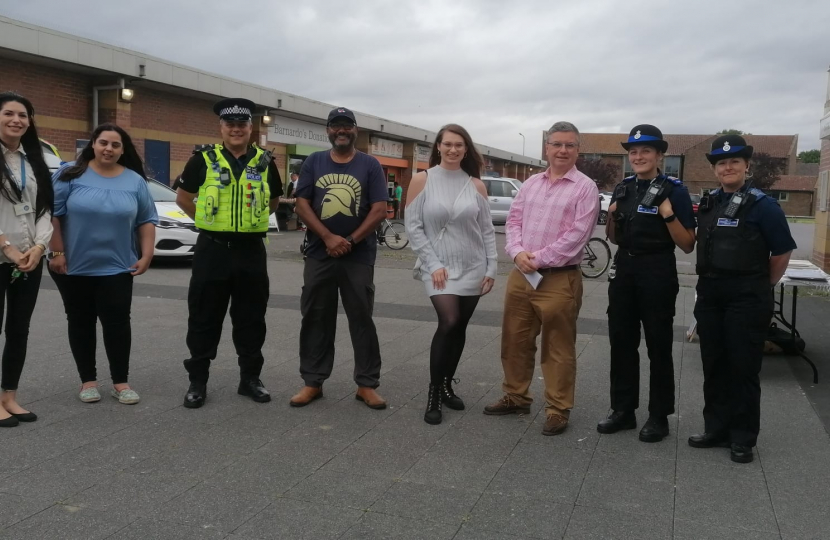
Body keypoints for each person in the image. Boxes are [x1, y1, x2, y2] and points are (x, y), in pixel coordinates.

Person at [483, 122, 599, 436]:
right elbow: (514, 221)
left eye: (570, 145)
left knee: (558, 347)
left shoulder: (585, 188)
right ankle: (517, 396)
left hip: (559, 279)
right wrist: (517, 251)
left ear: (578, 150)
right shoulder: (531, 183)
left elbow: (578, 236)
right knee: (514, 340)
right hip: (522, 276)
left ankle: (558, 409)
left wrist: (536, 258)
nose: (563, 150)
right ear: (546, 148)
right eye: (557, 144)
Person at [689, 135, 795, 464]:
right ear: (715, 170)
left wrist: (762, 284)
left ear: (746, 166)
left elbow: (781, 250)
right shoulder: (710, 203)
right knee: (714, 365)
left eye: (735, 161)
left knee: (743, 369)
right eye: (721, 163)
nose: (728, 167)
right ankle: (716, 429)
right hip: (711, 295)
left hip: (746, 297)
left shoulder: (763, 205)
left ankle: (742, 437)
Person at [174, 98, 282, 409]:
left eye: (242, 124)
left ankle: (249, 379)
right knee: (204, 317)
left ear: (251, 128)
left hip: (250, 251)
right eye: (230, 124)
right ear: (221, 127)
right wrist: (207, 223)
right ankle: (198, 381)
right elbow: (183, 198)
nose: (236, 129)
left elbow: (273, 202)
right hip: (213, 250)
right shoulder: (202, 159)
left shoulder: (265, 161)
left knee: (251, 318)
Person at [597, 125, 696, 442]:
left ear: (659, 156)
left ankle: (658, 416)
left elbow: (688, 244)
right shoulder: (623, 188)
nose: (638, 156)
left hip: (657, 270)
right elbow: (613, 238)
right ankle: (623, 410)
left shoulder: (674, 190)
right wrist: (611, 216)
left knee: (658, 345)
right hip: (625, 269)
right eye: (633, 152)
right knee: (622, 342)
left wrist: (668, 215)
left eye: (645, 151)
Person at [48, 123, 157, 405]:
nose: (109, 149)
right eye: (103, 143)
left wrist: (146, 255)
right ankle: (88, 381)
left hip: (119, 266)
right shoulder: (69, 174)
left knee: (118, 324)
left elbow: (146, 220)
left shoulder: (134, 181)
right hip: (74, 267)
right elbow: (53, 215)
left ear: (123, 150)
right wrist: (57, 253)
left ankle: (121, 382)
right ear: (93, 145)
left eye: (116, 145)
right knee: (80, 322)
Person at [289, 107, 388, 409]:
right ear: (328, 131)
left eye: (347, 126)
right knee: (316, 316)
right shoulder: (314, 162)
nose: (341, 131)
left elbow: (379, 209)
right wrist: (328, 238)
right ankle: (313, 382)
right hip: (320, 253)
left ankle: (366, 384)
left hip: (358, 256)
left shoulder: (370, 165)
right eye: (336, 126)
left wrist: (350, 240)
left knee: (361, 317)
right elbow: (301, 204)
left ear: (356, 130)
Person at [405, 124, 497, 425]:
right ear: (439, 147)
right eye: (448, 144)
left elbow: (486, 231)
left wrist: (492, 267)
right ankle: (433, 391)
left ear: (466, 149)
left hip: (473, 266)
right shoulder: (422, 180)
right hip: (439, 268)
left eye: (459, 145)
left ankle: (447, 385)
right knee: (450, 321)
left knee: (460, 328)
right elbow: (414, 227)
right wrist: (433, 264)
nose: (453, 149)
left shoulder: (476, 185)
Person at [0, 92, 54, 426]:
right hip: (3, 255)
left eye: (23, 115)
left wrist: (39, 247)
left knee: (19, 330)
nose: (16, 120)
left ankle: (9, 396)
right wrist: (6, 247)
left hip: (28, 262)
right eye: (8, 113)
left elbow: (44, 208)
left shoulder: (35, 159)